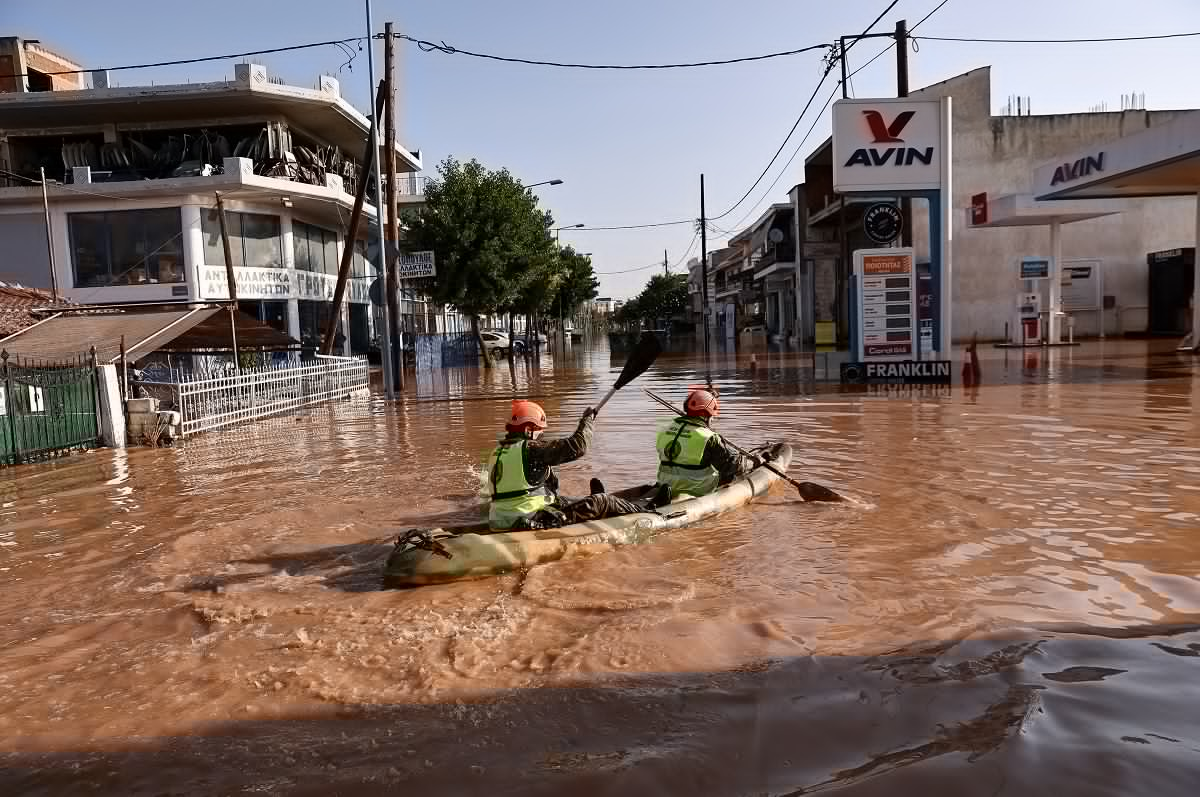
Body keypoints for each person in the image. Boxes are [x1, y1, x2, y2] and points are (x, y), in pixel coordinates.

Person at [487, 400, 668, 532]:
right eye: (540, 431)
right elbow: (579, 447)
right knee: (602, 501)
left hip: (501, 519)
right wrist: (587, 421)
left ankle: (597, 499)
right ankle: (647, 511)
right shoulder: (531, 449)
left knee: (565, 500)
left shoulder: (497, 451)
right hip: (530, 520)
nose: (541, 436)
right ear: (528, 430)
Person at [653, 388, 756, 499]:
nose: (713, 419)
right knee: (730, 472)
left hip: (665, 483)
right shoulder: (708, 437)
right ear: (707, 414)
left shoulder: (664, 430)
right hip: (696, 489)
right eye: (713, 416)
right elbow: (730, 465)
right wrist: (751, 462)